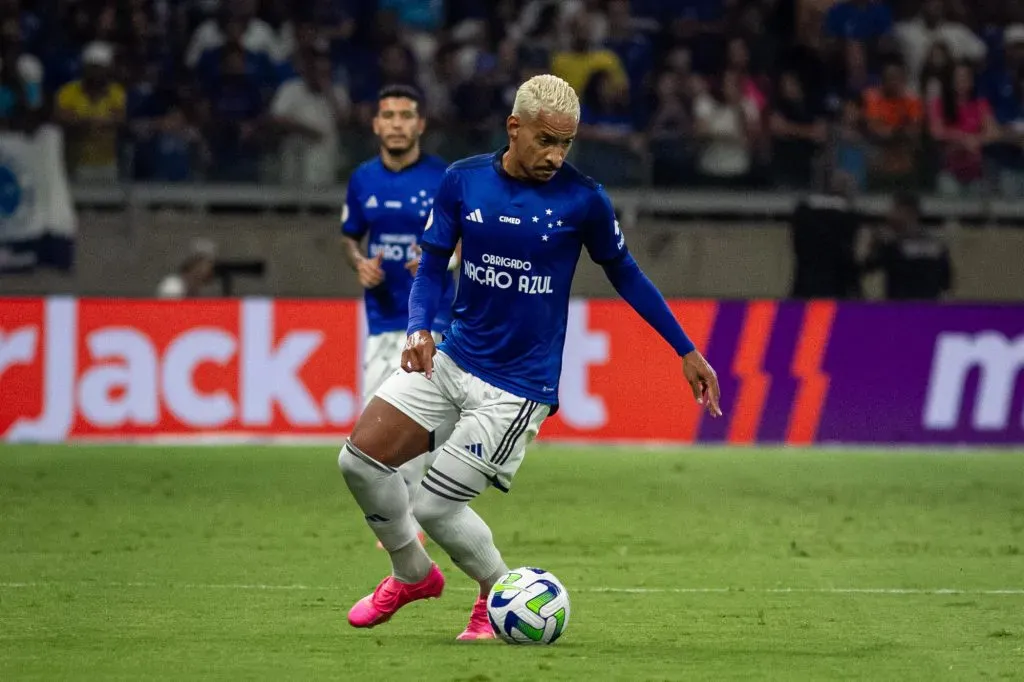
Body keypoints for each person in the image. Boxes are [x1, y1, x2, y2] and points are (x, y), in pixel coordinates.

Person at [336, 74, 722, 641]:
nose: (556, 155)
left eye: (566, 143)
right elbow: (433, 260)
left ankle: (498, 595)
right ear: (514, 128)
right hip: (454, 356)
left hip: (516, 386)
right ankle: (413, 573)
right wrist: (419, 329)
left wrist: (685, 349)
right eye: (545, 140)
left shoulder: (583, 198)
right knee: (359, 463)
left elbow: (626, 274)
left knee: (436, 508)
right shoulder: (463, 180)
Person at [340, 84, 458, 548]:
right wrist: (359, 262)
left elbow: (468, 239)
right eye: (387, 115)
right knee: (375, 434)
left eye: (405, 115)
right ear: (375, 124)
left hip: (433, 323)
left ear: (420, 124)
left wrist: (440, 261)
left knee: (420, 423)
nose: (396, 123)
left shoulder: (444, 178)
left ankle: (416, 517)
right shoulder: (362, 179)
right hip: (382, 321)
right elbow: (351, 236)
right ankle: (406, 515)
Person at [862, 191, 953, 300]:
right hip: (905, 308)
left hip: (915, 308)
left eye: (895, 209)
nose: (890, 214)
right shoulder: (890, 243)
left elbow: (946, 280)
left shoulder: (934, 245)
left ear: (909, 212)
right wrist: (875, 244)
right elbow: (869, 267)